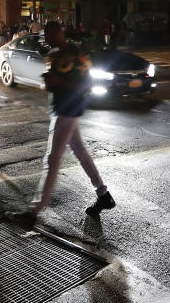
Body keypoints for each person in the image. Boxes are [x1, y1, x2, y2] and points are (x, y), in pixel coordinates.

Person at [10, 21, 114, 228]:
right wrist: (50, 82)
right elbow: (56, 81)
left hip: (68, 111)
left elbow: (85, 84)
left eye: (48, 34)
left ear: (58, 33)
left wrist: (58, 83)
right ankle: (103, 194)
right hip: (63, 110)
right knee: (80, 153)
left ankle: (35, 212)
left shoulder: (74, 54)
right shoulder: (56, 54)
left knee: (53, 160)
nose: (46, 39)